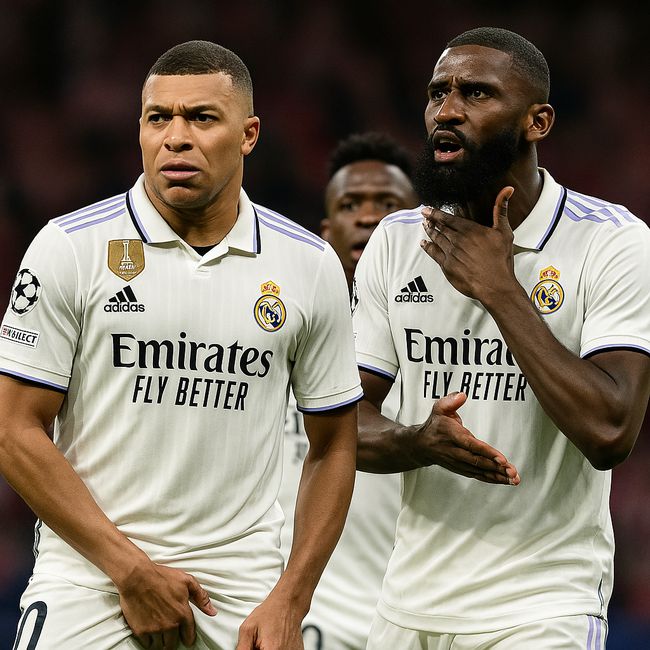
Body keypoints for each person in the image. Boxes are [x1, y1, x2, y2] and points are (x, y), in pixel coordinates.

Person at [0, 40, 363, 650]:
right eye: (158, 118)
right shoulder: (70, 248)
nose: (175, 137)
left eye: (201, 118)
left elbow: (333, 445)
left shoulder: (308, 264)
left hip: (242, 596)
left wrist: (293, 598)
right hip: (90, 584)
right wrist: (130, 570)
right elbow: (14, 432)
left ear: (248, 135)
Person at [352, 27, 650, 648]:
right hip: (407, 607)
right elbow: (343, 424)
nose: (447, 110)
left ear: (537, 122)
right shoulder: (398, 239)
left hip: (542, 607)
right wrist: (417, 441)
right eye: (438, 93)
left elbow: (610, 431)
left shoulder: (612, 241)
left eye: (477, 93)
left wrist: (500, 289)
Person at [278, 132, 418, 650]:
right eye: (350, 205)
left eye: (388, 205)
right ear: (326, 230)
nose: (368, 217)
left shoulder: (440, 340)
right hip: (299, 609)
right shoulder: (280, 331)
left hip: (406, 610)